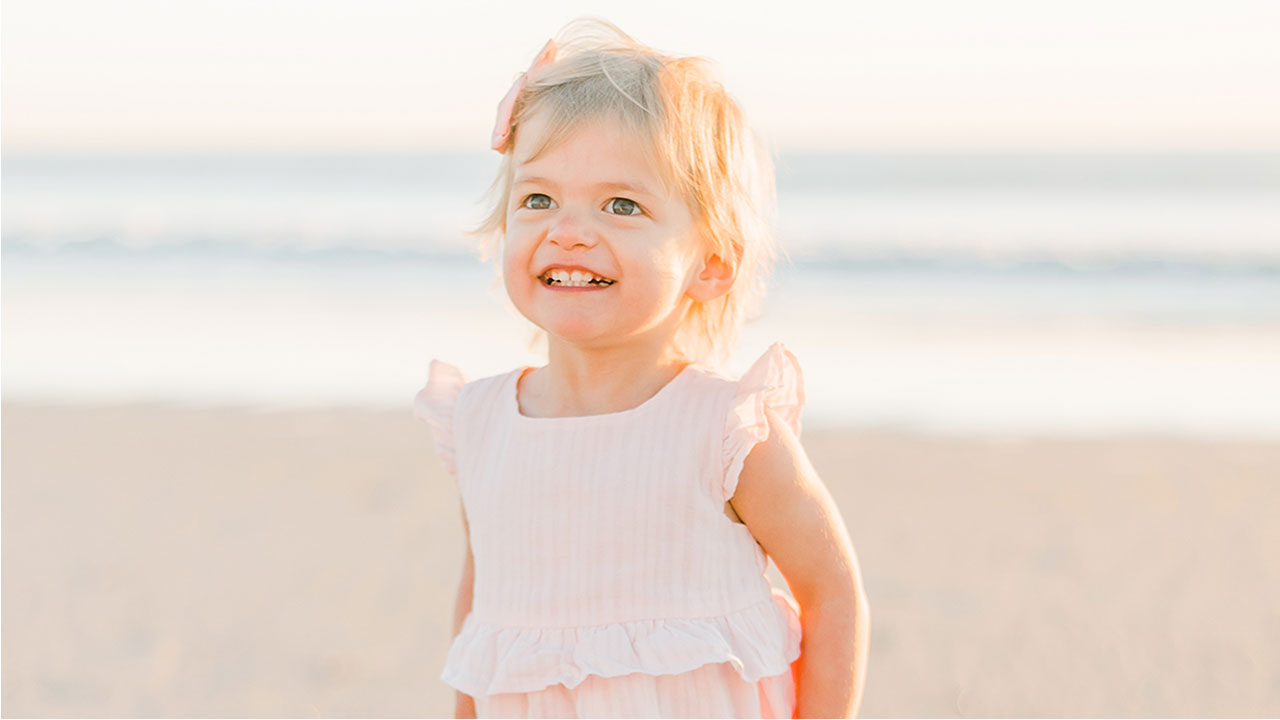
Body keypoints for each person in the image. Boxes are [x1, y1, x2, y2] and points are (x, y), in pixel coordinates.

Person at [415, 18, 868, 718]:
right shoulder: (480, 424)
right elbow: (485, 607)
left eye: (621, 204)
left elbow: (832, 592)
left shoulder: (723, 430)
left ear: (711, 262)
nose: (566, 229)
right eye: (538, 199)